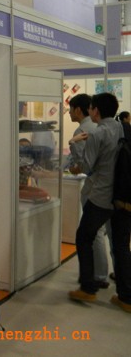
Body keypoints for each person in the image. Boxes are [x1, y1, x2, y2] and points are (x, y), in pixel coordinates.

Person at [68, 93, 123, 303]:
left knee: (85, 237)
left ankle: (88, 286)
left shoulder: (96, 133)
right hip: (118, 194)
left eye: (91, 108)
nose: (89, 111)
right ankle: (122, 288)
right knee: (117, 241)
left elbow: (86, 166)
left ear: (96, 110)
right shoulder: (119, 128)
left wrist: (73, 143)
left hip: (100, 193)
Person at [68, 93, 110, 289]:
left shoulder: (82, 130)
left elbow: (84, 164)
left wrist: (72, 143)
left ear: (78, 110)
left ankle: (98, 276)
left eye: (70, 109)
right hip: (106, 187)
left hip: (94, 188)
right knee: (103, 233)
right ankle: (100, 274)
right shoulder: (102, 128)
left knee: (93, 233)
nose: (69, 113)